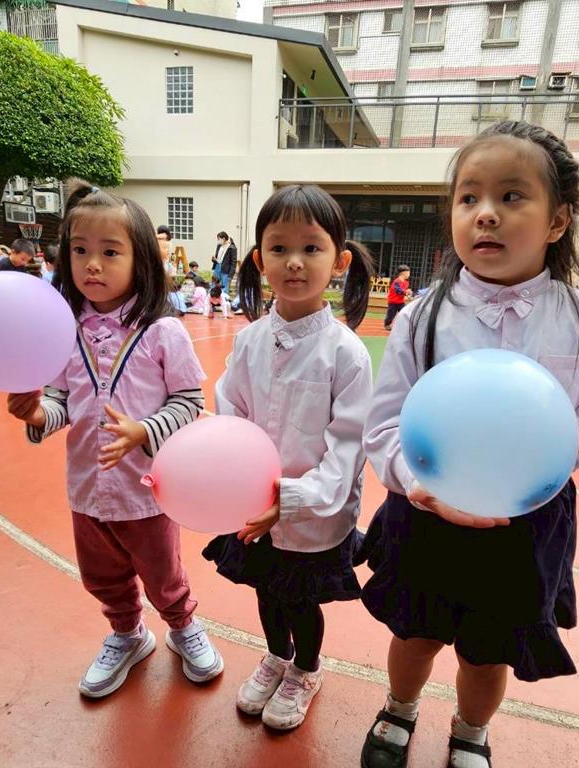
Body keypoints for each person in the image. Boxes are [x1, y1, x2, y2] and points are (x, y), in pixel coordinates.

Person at [356, 121, 579, 768]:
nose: (485, 213)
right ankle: (400, 708)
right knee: (415, 634)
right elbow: (382, 427)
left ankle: (471, 731)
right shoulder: (421, 316)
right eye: (469, 198)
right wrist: (418, 483)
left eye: (511, 196)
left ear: (558, 221)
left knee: (487, 652)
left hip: (526, 524)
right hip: (428, 512)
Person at [6, 181, 223, 698]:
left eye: (109, 252)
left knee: (163, 573)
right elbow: (61, 402)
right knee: (101, 575)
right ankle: (128, 634)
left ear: (140, 259)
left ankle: (182, 626)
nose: (92, 265)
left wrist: (144, 430)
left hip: (145, 491)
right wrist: (36, 413)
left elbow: (189, 401)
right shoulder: (63, 330)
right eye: (79, 251)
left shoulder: (162, 331)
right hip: (86, 489)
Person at [203, 185, 374, 731]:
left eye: (311, 247)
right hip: (254, 507)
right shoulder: (249, 341)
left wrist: (292, 500)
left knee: (301, 600)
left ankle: (305, 668)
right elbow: (230, 410)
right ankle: (277, 656)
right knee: (265, 591)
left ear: (339, 262)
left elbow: (347, 448)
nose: (294, 261)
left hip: (312, 515)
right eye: (279, 248)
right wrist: (228, 479)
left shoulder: (346, 353)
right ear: (260, 260)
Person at [384, 265, 412, 331]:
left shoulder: (406, 282)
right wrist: (406, 292)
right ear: (403, 273)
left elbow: (403, 291)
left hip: (401, 302)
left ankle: (404, 325)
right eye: (408, 272)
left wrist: (408, 293)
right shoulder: (397, 281)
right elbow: (398, 290)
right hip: (393, 302)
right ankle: (387, 324)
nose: (409, 274)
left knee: (405, 312)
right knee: (391, 315)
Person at [217, 231, 238, 298]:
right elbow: (218, 257)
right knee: (217, 288)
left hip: (226, 271)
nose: (218, 241)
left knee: (225, 290)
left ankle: (225, 302)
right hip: (218, 268)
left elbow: (234, 262)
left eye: (219, 239)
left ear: (223, 238)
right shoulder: (220, 246)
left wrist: (231, 274)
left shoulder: (231, 248)